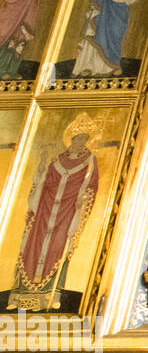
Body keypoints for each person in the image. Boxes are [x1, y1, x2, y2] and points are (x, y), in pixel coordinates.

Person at [12, 114, 100, 310]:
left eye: (85, 139)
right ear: (71, 139)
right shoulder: (56, 160)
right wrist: (42, 168)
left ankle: (53, 292)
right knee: (32, 245)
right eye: (78, 139)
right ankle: (21, 293)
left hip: (68, 212)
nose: (81, 143)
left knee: (59, 246)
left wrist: (84, 198)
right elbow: (43, 183)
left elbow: (92, 187)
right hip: (45, 209)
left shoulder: (90, 161)